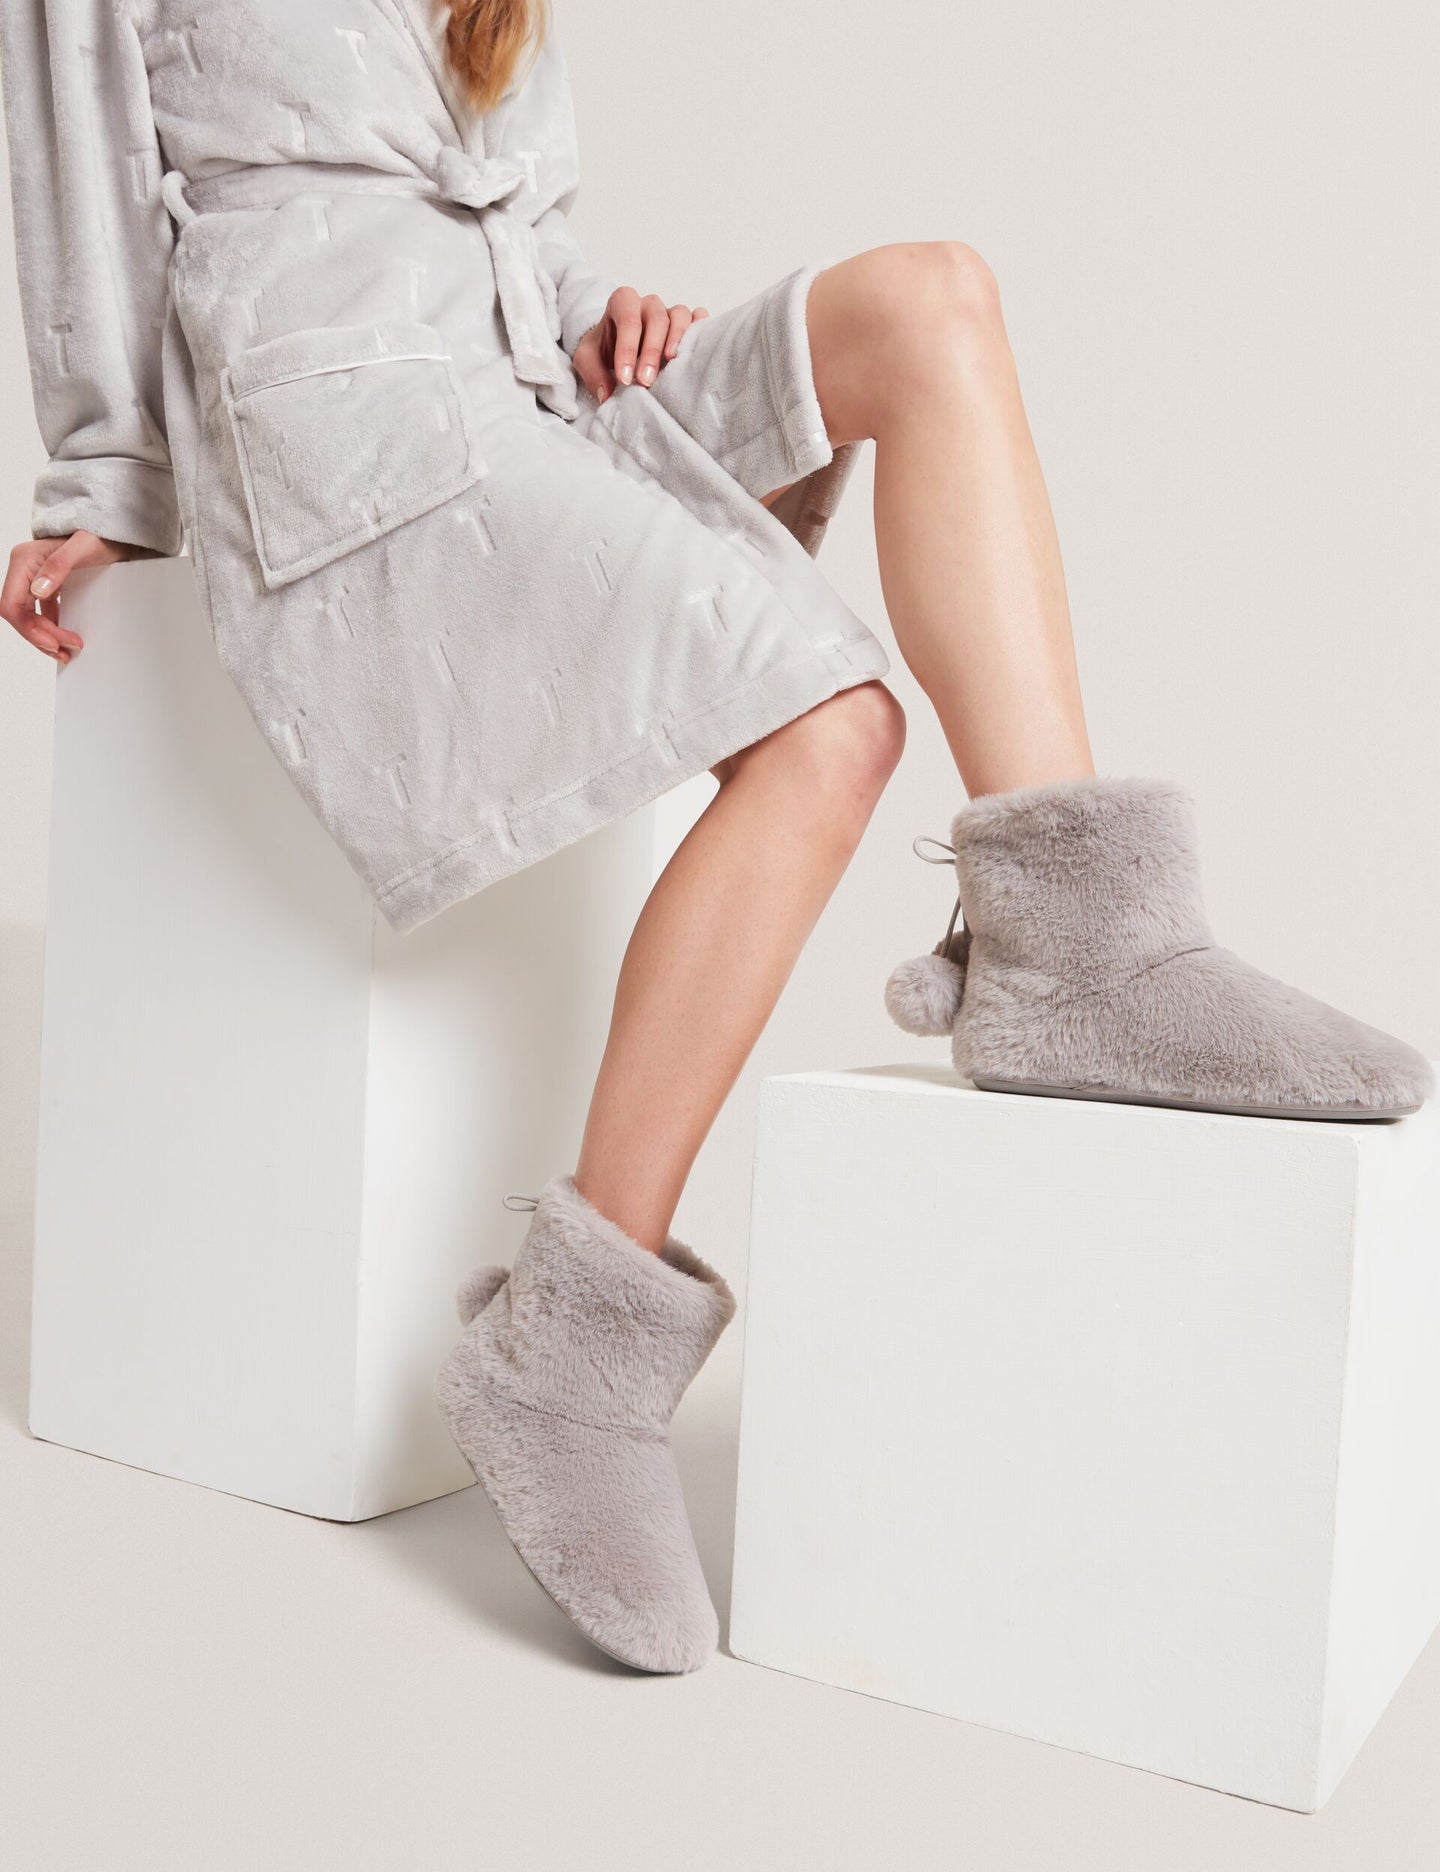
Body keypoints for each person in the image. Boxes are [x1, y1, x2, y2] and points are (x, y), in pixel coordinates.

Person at [1, 1, 1430, 1674]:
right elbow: (81, 175)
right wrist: (106, 485)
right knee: (834, 729)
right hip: (352, 451)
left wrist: (598, 314)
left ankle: (1082, 948)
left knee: (933, 301)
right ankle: (570, 1350)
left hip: (526, 399)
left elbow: (519, 223)